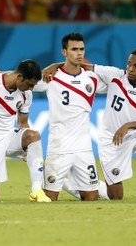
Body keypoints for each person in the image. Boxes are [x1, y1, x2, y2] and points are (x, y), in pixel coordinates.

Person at [55, 50, 136, 201]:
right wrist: (54, 66)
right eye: (129, 64)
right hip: (111, 139)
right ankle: (66, 183)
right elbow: (80, 65)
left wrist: (128, 126)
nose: (131, 69)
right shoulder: (114, 75)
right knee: (115, 196)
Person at [0, 60, 51, 202]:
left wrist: (27, 150)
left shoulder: (26, 94)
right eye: (29, 84)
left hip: (7, 137)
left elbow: (23, 123)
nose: (31, 89)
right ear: (19, 77)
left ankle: (36, 190)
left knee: (33, 136)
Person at [38, 32, 103, 201]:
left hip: (84, 148)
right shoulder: (50, 76)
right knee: (49, 198)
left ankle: (68, 183)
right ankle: (63, 183)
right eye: (74, 49)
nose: (79, 53)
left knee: (91, 197)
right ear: (64, 52)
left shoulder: (92, 78)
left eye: (82, 49)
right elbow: (22, 77)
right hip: (59, 147)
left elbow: (122, 79)